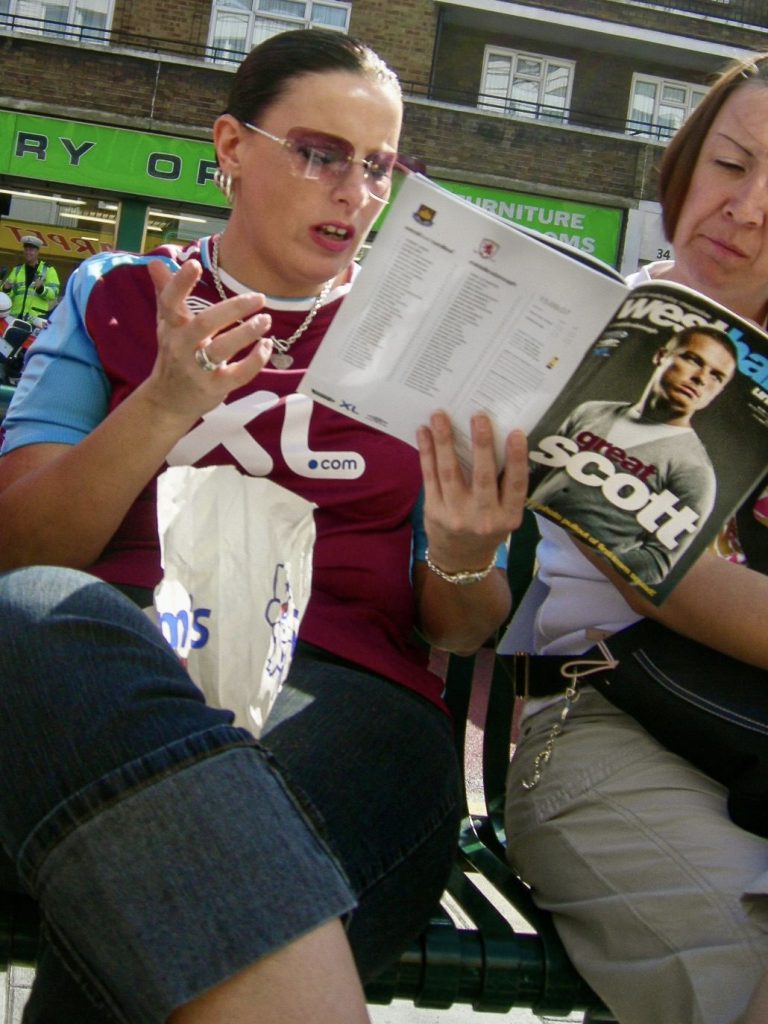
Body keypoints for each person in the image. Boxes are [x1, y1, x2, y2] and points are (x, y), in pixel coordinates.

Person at [0, 29, 527, 1024]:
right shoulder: (117, 293)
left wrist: (465, 555)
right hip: (110, 672)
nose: (357, 192)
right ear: (232, 147)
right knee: (32, 614)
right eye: (322, 153)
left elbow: (459, 631)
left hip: (347, 704)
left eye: (380, 166)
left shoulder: (429, 344)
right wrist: (160, 407)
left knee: (189, 862)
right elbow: (20, 551)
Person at [504, 51, 768, 1024]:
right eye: (732, 166)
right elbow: (673, 575)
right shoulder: (602, 333)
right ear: (686, 167)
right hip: (598, 720)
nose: (746, 209)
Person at [528, 324, 738, 585]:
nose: (701, 378)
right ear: (661, 355)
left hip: (579, 586)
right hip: (523, 546)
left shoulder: (695, 471)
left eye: (716, 376)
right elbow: (535, 474)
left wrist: (589, 567)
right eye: (693, 359)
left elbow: (659, 562)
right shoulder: (591, 411)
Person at [1, 234, 60, 319]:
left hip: (36, 319)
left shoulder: (48, 269)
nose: (28, 252)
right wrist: (6, 289)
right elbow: (6, 297)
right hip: (15, 318)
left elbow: (54, 293)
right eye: (26, 249)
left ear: (37, 252)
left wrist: (41, 289)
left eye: (31, 250)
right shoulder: (17, 270)